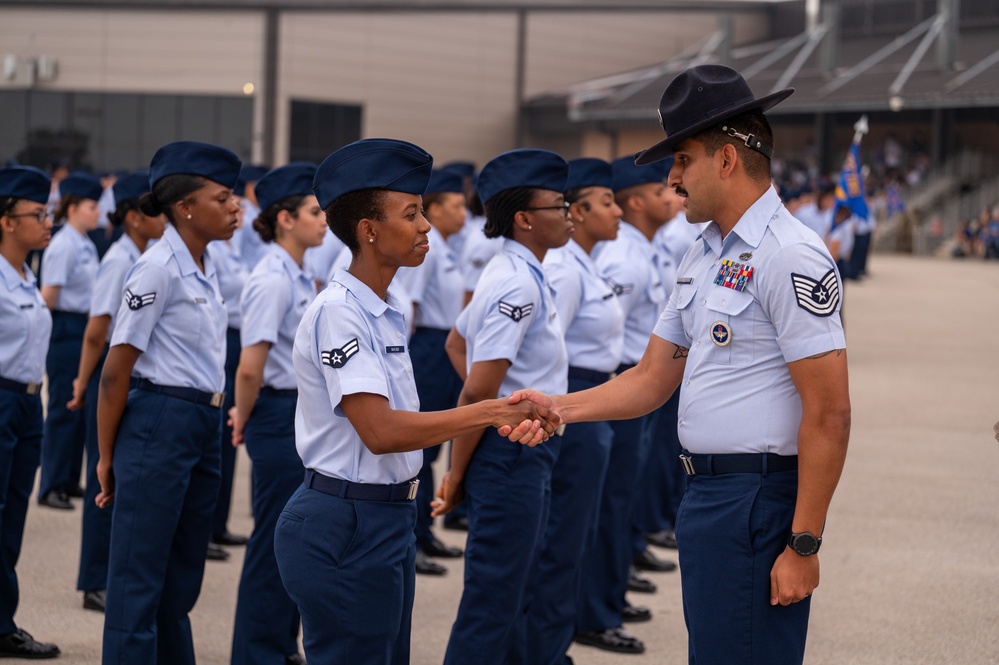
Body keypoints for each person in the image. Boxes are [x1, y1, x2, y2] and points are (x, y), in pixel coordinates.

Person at [511, 64, 851, 665]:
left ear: (725, 160)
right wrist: (556, 407)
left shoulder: (790, 256)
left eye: (681, 160)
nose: (671, 180)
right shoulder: (704, 253)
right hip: (706, 499)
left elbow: (829, 412)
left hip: (758, 501)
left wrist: (803, 542)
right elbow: (650, 379)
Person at [271, 138, 558, 665]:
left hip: (385, 517)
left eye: (423, 211)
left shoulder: (384, 306)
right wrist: (494, 410)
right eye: (411, 213)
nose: (425, 225)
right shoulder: (340, 312)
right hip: (345, 520)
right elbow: (381, 432)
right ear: (369, 231)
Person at [96, 140, 243, 665]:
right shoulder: (156, 268)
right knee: (138, 577)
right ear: (184, 207)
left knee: (181, 579)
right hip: (160, 419)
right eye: (222, 198)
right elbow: (115, 373)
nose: (235, 208)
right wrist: (108, 456)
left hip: (202, 421)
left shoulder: (207, 265)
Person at [432, 148, 572, 665]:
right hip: (510, 454)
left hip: (518, 449)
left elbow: (455, 342)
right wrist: (458, 472)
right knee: (494, 601)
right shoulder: (515, 282)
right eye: (558, 204)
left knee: (513, 593)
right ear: (525, 218)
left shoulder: (519, 271)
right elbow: (477, 393)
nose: (568, 213)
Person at [521, 157, 625, 664]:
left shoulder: (584, 264)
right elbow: (543, 352)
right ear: (577, 212)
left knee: (577, 533)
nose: (618, 210)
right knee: (562, 539)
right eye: (605, 202)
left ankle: (551, 645)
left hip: (591, 398)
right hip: (570, 402)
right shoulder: (563, 270)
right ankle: (544, 650)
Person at [573, 155, 673, 656]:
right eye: (660, 191)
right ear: (637, 201)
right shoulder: (621, 258)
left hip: (637, 382)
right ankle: (596, 608)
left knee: (619, 500)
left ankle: (607, 595)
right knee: (609, 504)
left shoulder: (640, 251)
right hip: (620, 383)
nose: (672, 196)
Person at [228, 162, 324, 665]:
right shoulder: (272, 277)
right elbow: (251, 366)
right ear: (284, 219)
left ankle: (280, 644)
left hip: (295, 413)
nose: (323, 219)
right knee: (272, 541)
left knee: (293, 541)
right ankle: (257, 652)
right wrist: (244, 419)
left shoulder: (298, 271)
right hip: (275, 413)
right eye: (313, 212)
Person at [68, 171, 167, 613]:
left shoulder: (142, 254)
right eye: (154, 210)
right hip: (111, 374)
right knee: (102, 476)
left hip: (125, 376)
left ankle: (106, 573)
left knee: (118, 480)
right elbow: (96, 331)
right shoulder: (121, 260)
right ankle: (94, 579)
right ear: (132, 217)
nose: (163, 218)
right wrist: (84, 381)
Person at [393, 167, 468, 576]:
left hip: (441, 347)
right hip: (426, 347)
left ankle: (426, 529)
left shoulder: (446, 245)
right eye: (455, 205)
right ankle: (415, 535)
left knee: (433, 448)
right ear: (434, 209)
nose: (463, 212)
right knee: (420, 446)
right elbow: (413, 307)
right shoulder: (427, 247)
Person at [0, 166, 61, 659]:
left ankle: (2, 621)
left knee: (12, 517)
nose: (47, 223)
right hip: (0, 401)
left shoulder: (25, 274)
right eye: (37, 215)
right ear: (6, 220)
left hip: (26, 404)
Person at [37, 171, 103, 510]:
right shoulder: (63, 244)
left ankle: (67, 478)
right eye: (92, 206)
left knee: (79, 409)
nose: (98, 212)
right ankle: (51, 485)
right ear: (73, 207)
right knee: (64, 406)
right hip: (67, 329)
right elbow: (48, 296)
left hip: (85, 327)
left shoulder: (84, 243)